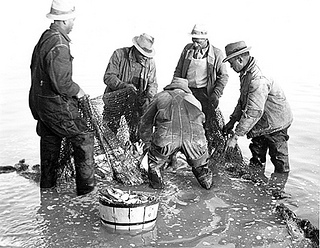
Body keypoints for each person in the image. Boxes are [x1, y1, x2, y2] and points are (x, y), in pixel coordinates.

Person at [29, 0, 95, 195]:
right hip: (55, 105)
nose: (73, 23)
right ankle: (86, 193)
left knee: (50, 142)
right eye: (72, 20)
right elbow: (62, 84)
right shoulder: (60, 44)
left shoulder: (46, 37)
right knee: (84, 137)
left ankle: (47, 191)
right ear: (64, 20)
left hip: (41, 104)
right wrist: (79, 91)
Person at [222, 41, 293, 175]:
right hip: (260, 123)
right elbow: (243, 101)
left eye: (231, 63)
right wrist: (232, 121)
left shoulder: (258, 78)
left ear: (240, 59)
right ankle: (257, 185)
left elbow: (253, 112)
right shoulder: (245, 73)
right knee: (257, 158)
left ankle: (279, 192)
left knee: (280, 161)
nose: (231, 67)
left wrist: (235, 137)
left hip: (276, 123)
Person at [139, 77, 213, 190]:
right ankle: (207, 188)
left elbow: (145, 122)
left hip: (165, 139)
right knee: (201, 167)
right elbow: (200, 124)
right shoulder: (195, 100)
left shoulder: (160, 96)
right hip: (196, 141)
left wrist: (147, 143)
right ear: (185, 89)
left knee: (155, 165)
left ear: (171, 86)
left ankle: (157, 190)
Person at [173, 24, 229, 150]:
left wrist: (216, 93)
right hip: (187, 91)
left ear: (205, 40)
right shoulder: (187, 50)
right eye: (193, 41)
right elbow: (178, 70)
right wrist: (176, 86)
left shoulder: (217, 54)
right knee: (182, 121)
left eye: (198, 42)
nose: (195, 45)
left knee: (206, 124)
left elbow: (224, 76)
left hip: (205, 93)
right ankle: (183, 150)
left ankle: (205, 150)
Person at [103, 33, 158, 143]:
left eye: (147, 55)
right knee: (109, 132)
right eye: (143, 54)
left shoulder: (150, 63)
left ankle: (133, 150)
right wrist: (124, 86)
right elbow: (108, 77)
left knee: (136, 134)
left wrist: (149, 97)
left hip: (135, 104)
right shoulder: (119, 54)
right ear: (135, 49)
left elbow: (153, 84)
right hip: (115, 101)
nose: (145, 58)